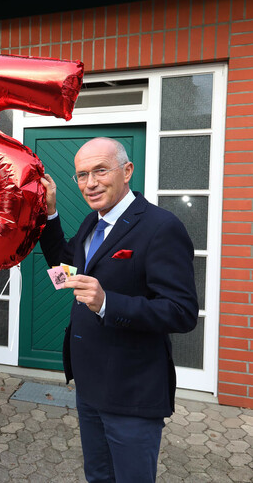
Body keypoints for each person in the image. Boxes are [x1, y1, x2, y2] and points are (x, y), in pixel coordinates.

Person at [39, 137, 198, 482]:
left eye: (100, 170)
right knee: (98, 475)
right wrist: (50, 212)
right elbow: (63, 268)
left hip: (132, 390)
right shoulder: (90, 224)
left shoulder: (161, 227)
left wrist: (108, 303)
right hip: (89, 383)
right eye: (82, 175)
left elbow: (182, 312)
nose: (90, 183)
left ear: (127, 171)